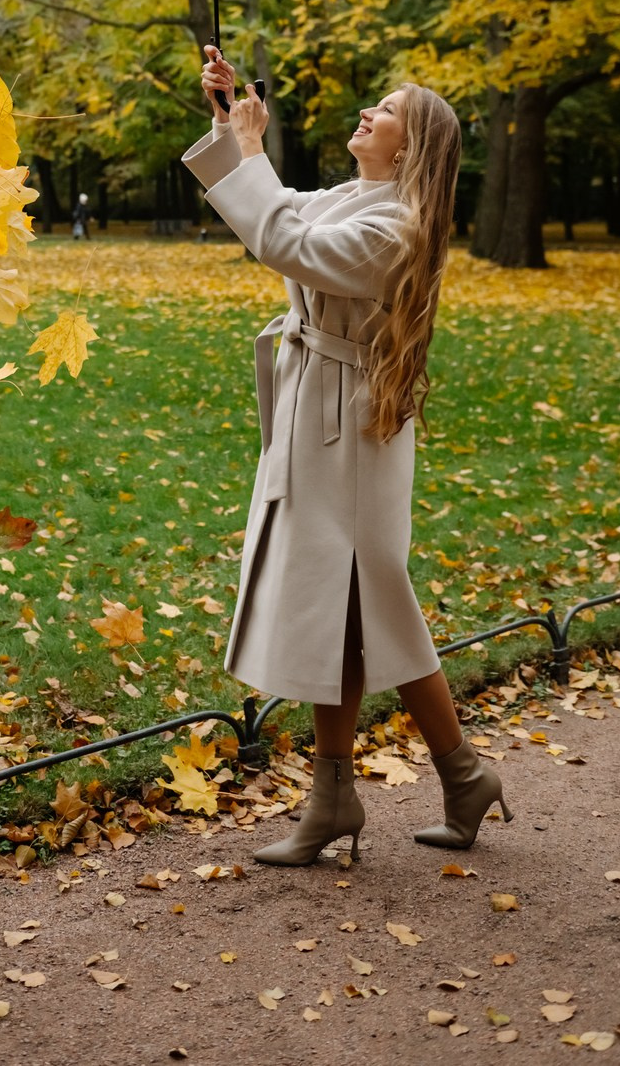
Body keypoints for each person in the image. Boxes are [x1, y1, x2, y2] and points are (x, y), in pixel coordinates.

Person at [183, 48, 512, 866]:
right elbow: (284, 209)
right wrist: (231, 118)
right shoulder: (358, 196)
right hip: (318, 412)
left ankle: (443, 778)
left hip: (351, 430)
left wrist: (252, 150)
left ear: (412, 148)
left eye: (387, 109)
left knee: (370, 602)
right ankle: (364, 794)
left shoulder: (397, 223)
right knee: (345, 609)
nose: (369, 112)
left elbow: (283, 240)